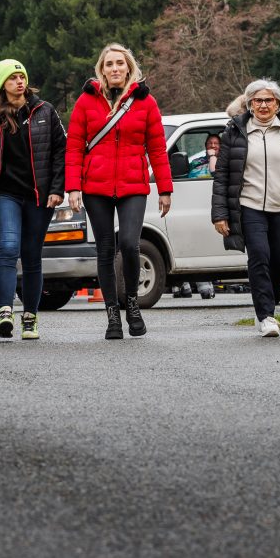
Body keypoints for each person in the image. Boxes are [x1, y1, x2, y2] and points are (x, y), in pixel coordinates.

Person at [66, 44, 173, 340]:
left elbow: (157, 149)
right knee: (104, 249)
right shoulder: (86, 101)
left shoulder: (145, 102)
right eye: (109, 64)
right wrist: (73, 186)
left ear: (128, 68)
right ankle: (112, 314)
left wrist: (165, 189)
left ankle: (133, 305)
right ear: (102, 69)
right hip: (95, 186)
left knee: (129, 243)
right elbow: (74, 146)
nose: (115, 68)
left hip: (133, 184)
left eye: (120, 63)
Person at [211, 79, 280, 338]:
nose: (264, 105)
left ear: (278, 104)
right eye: (258, 100)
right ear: (249, 104)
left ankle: (269, 301)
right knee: (259, 256)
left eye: (269, 100)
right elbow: (222, 175)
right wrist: (219, 214)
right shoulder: (235, 131)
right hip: (250, 206)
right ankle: (266, 316)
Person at [0, 59, 66, 340]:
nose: (19, 82)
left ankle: (30, 318)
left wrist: (57, 188)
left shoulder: (45, 110)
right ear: (3, 84)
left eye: (21, 76)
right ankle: (5, 311)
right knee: (9, 247)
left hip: (39, 195)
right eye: (12, 78)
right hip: (5, 194)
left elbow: (60, 151)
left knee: (32, 254)